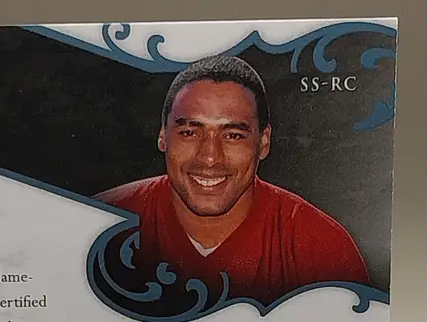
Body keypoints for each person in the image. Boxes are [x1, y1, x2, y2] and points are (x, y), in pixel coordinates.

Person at [96, 55, 370, 307]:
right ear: (163, 136)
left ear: (263, 142)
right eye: (190, 132)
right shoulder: (101, 223)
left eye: (233, 136)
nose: (209, 157)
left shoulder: (321, 249)